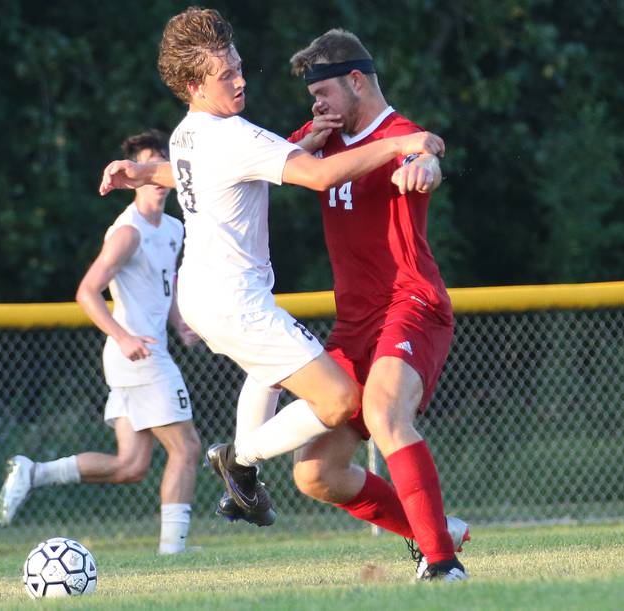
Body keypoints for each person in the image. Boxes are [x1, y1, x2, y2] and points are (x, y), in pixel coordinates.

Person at [98, 7, 445, 528]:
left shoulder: (188, 133)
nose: (239, 80)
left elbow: (208, 168)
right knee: (340, 400)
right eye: (225, 75)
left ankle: (249, 483)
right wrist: (400, 144)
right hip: (237, 303)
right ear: (194, 85)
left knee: (270, 378)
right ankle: (239, 462)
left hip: (208, 295)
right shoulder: (235, 135)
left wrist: (145, 171)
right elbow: (323, 176)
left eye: (238, 66)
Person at [0, 130, 203, 555]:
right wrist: (124, 336)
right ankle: (173, 554)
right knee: (187, 447)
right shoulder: (126, 233)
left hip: (144, 351)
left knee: (131, 466)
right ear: (132, 175)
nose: (156, 170)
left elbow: (163, 285)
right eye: (146, 163)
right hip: (138, 353)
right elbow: (87, 292)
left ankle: (33, 473)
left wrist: (181, 322)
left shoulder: (174, 228)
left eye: (160, 161)